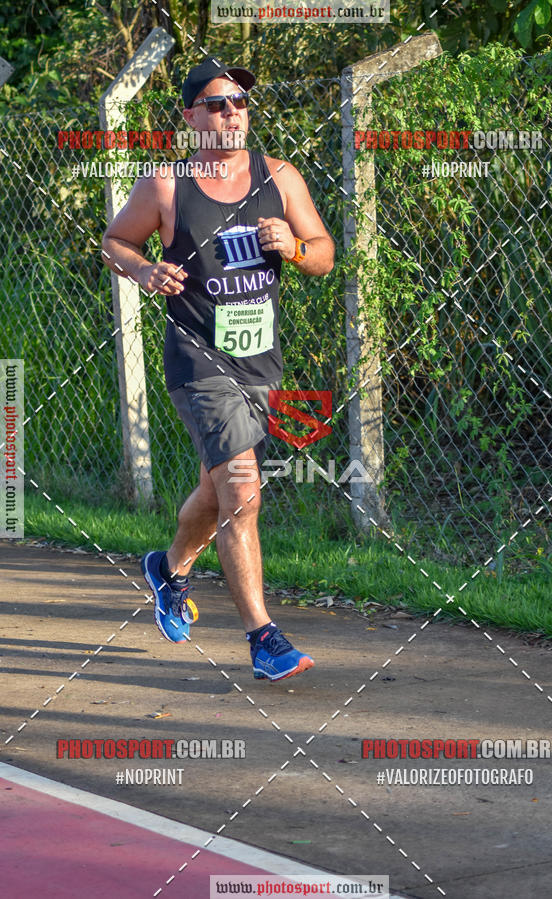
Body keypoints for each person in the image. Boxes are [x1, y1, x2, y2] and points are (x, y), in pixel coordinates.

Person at [102, 56, 335, 681]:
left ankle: (169, 569)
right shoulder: (167, 187)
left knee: (220, 488)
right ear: (191, 118)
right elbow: (114, 242)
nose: (232, 112)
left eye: (238, 102)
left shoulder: (280, 177)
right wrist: (144, 269)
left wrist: (294, 246)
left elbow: (324, 254)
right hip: (198, 364)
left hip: (262, 364)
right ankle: (265, 639)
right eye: (217, 103)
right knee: (241, 490)